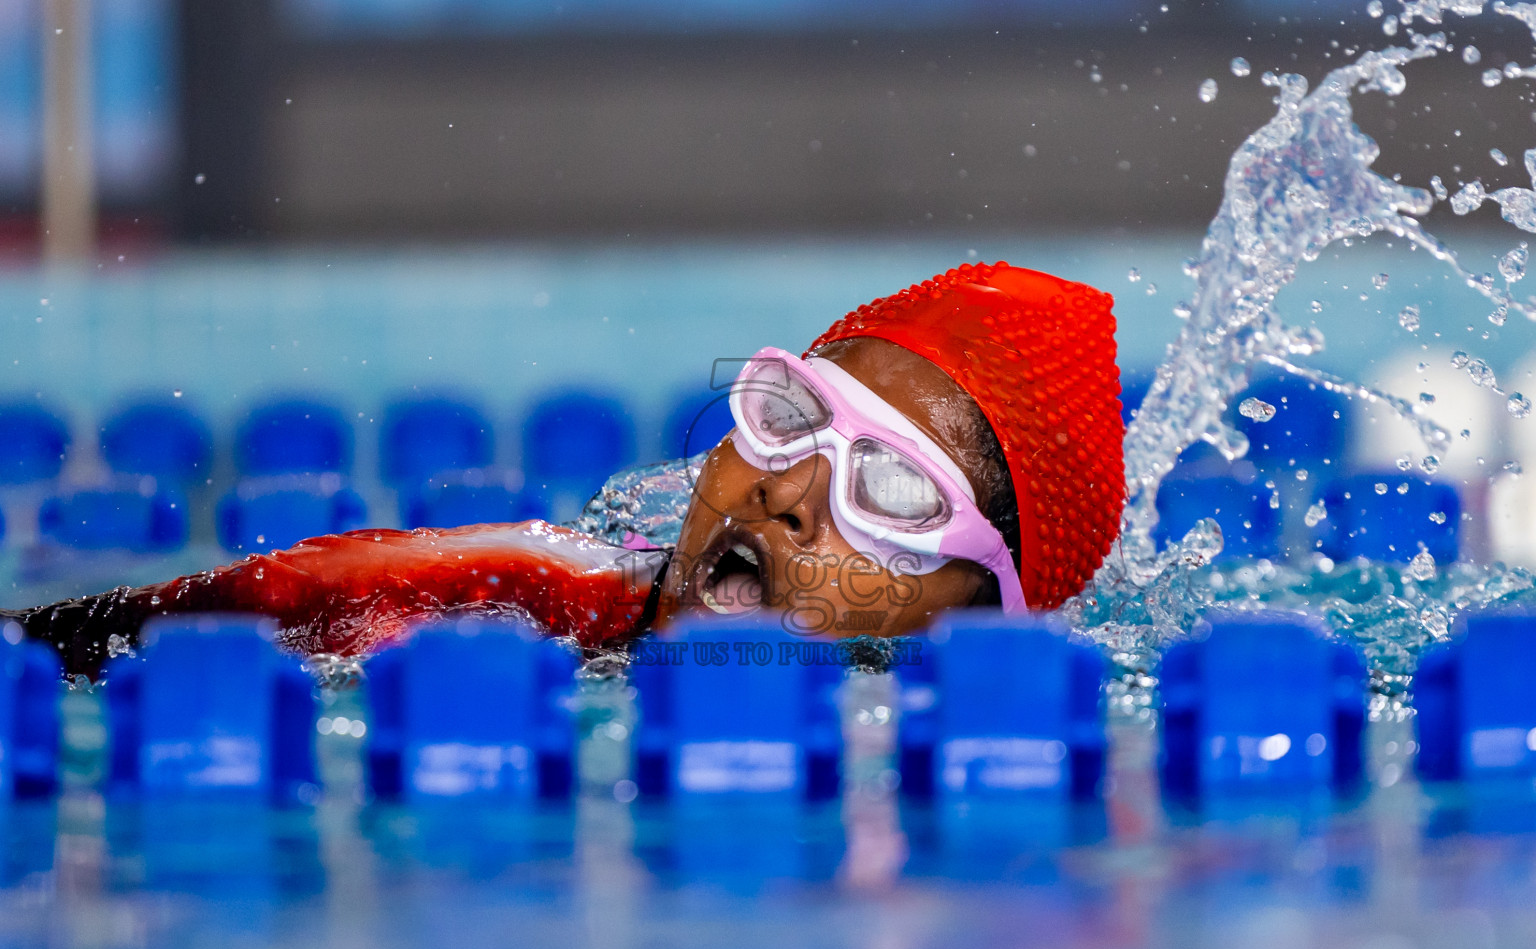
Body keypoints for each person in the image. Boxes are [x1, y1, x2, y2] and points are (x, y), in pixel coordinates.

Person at [12, 262, 1125, 678]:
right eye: (790, 418)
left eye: (891, 487)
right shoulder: (514, 599)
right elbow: (55, 651)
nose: (789, 493)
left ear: (988, 611)